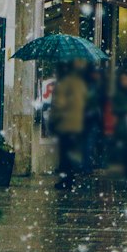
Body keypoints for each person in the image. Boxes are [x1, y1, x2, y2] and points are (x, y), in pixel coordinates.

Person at [50, 61, 89, 189]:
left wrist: (53, 119)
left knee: (64, 155)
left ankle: (65, 180)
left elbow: (59, 105)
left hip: (65, 124)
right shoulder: (80, 83)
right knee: (71, 153)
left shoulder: (64, 83)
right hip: (78, 124)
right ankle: (71, 179)